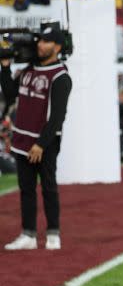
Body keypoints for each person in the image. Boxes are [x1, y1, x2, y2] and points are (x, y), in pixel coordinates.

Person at [1, 24, 72, 250]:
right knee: (26, 189)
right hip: (22, 140)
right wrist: (4, 67)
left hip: (45, 144)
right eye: (39, 40)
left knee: (49, 187)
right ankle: (28, 234)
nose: (40, 45)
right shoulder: (28, 70)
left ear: (57, 46)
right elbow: (11, 94)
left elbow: (58, 116)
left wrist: (41, 144)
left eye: (46, 41)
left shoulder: (61, 76)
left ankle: (53, 233)